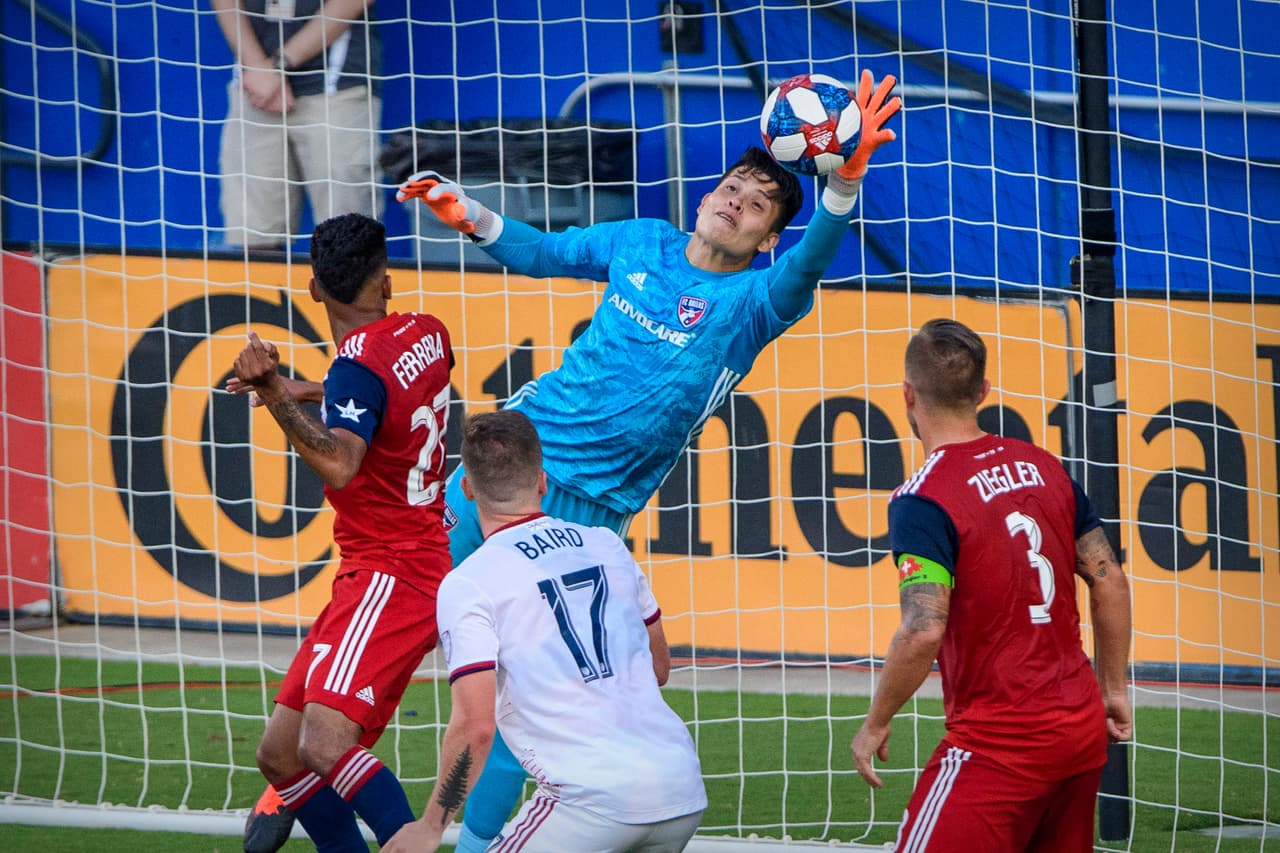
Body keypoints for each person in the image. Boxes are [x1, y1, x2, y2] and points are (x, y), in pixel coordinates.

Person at [394, 68, 901, 852]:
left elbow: (811, 263)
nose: (735, 199)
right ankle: (342, 775)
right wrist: (465, 211)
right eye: (731, 186)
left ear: (767, 238)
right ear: (705, 195)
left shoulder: (755, 305)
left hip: (589, 514)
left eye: (757, 203)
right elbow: (542, 252)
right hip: (503, 471)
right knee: (463, 669)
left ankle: (468, 838)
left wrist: (845, 185)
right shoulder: (639, 242)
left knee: (524, 696)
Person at [849, 318, 1133, 851]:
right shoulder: (1046, 467)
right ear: (982, 392)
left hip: (1000, 744)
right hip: (1079, 731)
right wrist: (1113, 689)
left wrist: (875, 723)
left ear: (907, 394)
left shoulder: (923, 498)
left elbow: (923, 629)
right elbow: (1109, 579)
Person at [228, 212, 454, 851]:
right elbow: (382, 391)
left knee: (323, 744)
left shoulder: (356, 369)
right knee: (279, 757)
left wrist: (274, 391)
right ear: (386, 281)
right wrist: (312, 388)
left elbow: (341, 461)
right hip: (381, 566)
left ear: (313, 290)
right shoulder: (429, 333)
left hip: (396, 569)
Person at [384, 409, 706, 853]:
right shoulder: (607, 545)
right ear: (542, 481)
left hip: (589, 805)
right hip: (681, 790)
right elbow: (659, 667)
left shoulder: (468, 582)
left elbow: (477, 726)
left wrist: (432, 826)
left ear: (467, 489)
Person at [212, 0, 383, 249]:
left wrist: (278, 66)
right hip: (254, 89)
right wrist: (257, 67)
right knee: (255, 237)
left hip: (335, 86)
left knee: (348, 239)